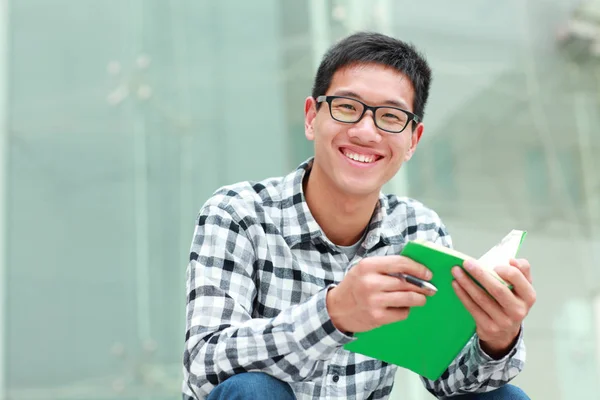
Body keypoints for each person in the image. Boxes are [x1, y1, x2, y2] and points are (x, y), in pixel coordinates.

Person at [182, 32, 536, 400]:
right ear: (311, 117)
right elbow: (204, 366)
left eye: (391, 116)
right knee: (252, 391)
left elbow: (447, 379)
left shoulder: (420, 229)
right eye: (347, 107)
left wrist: (497, 339)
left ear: (413, 140)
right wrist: (334, 314)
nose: (366, 131)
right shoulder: (238, 213)